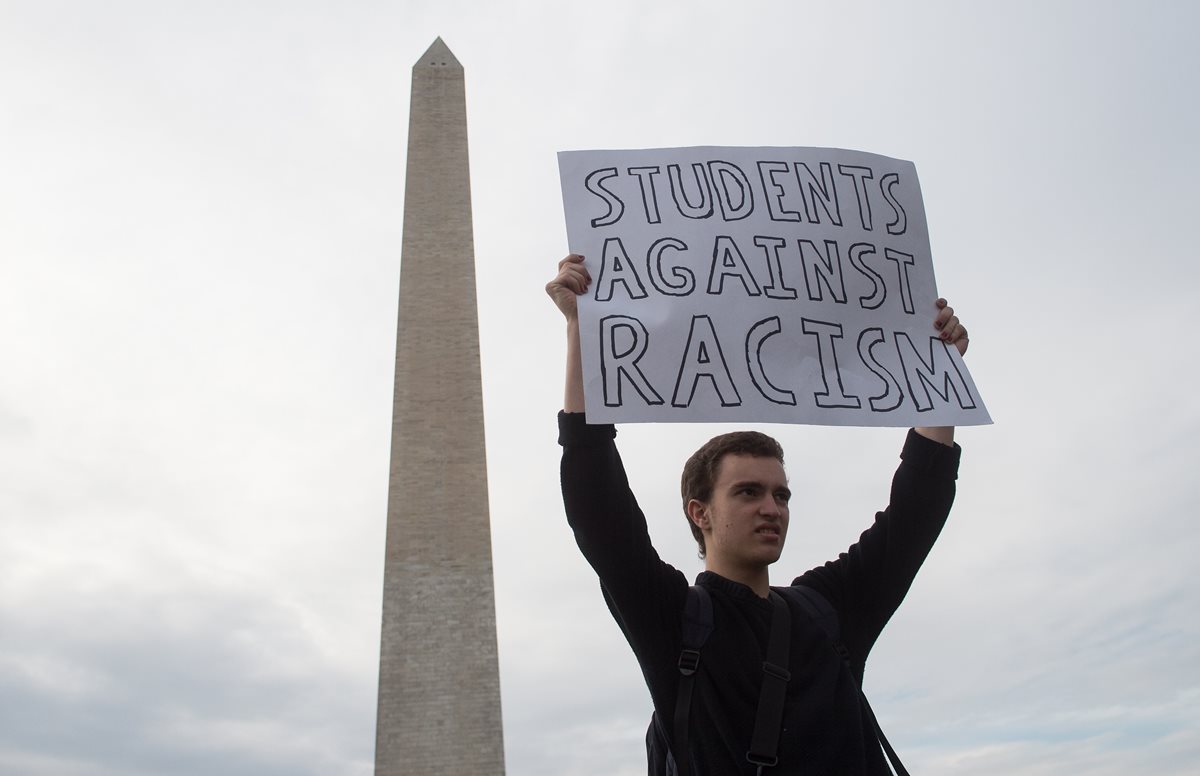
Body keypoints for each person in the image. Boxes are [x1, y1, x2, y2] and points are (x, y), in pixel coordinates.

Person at [547, 253, 968, 775]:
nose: (772, 508)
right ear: (698, 512)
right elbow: (599, 511)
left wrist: (939, 374)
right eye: (748, 493)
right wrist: (582, 334)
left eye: (782, 495)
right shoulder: (673, 622)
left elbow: (915, 515)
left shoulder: (828, 609)